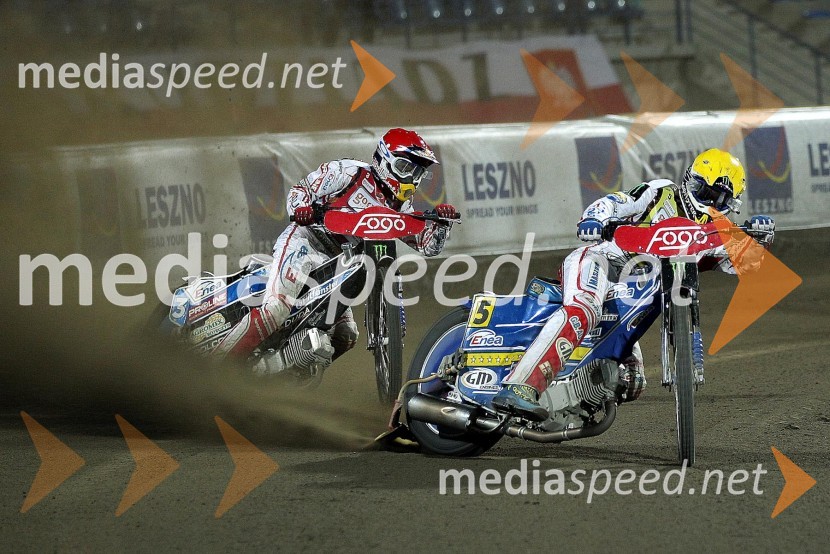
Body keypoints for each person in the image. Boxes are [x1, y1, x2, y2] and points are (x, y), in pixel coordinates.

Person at [492, 148, 776, 421]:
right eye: (707, 193)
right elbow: (617, 201)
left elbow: (743, 264)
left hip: (630, 293)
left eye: (721, 200)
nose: (712, 203)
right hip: (602, 259)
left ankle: (573, 402)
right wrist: (594, 218)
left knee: (632, 382)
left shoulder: (718, 230)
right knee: (584, 309)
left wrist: (759, 239)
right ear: (690, 181)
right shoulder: (662, 191)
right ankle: (522, 385)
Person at [214, 128, 457, 372]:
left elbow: (426, 245)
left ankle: (280, 371)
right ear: (385, 160)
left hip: (339, 265)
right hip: (306, 242)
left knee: (346, 334)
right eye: (407, 168)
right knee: (275, 311)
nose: (412, 178)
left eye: (417, 172)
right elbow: (301, 190)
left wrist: (441, 224)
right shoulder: (349, 172)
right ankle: (216, 368)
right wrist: (303, 209)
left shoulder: (400, 205)